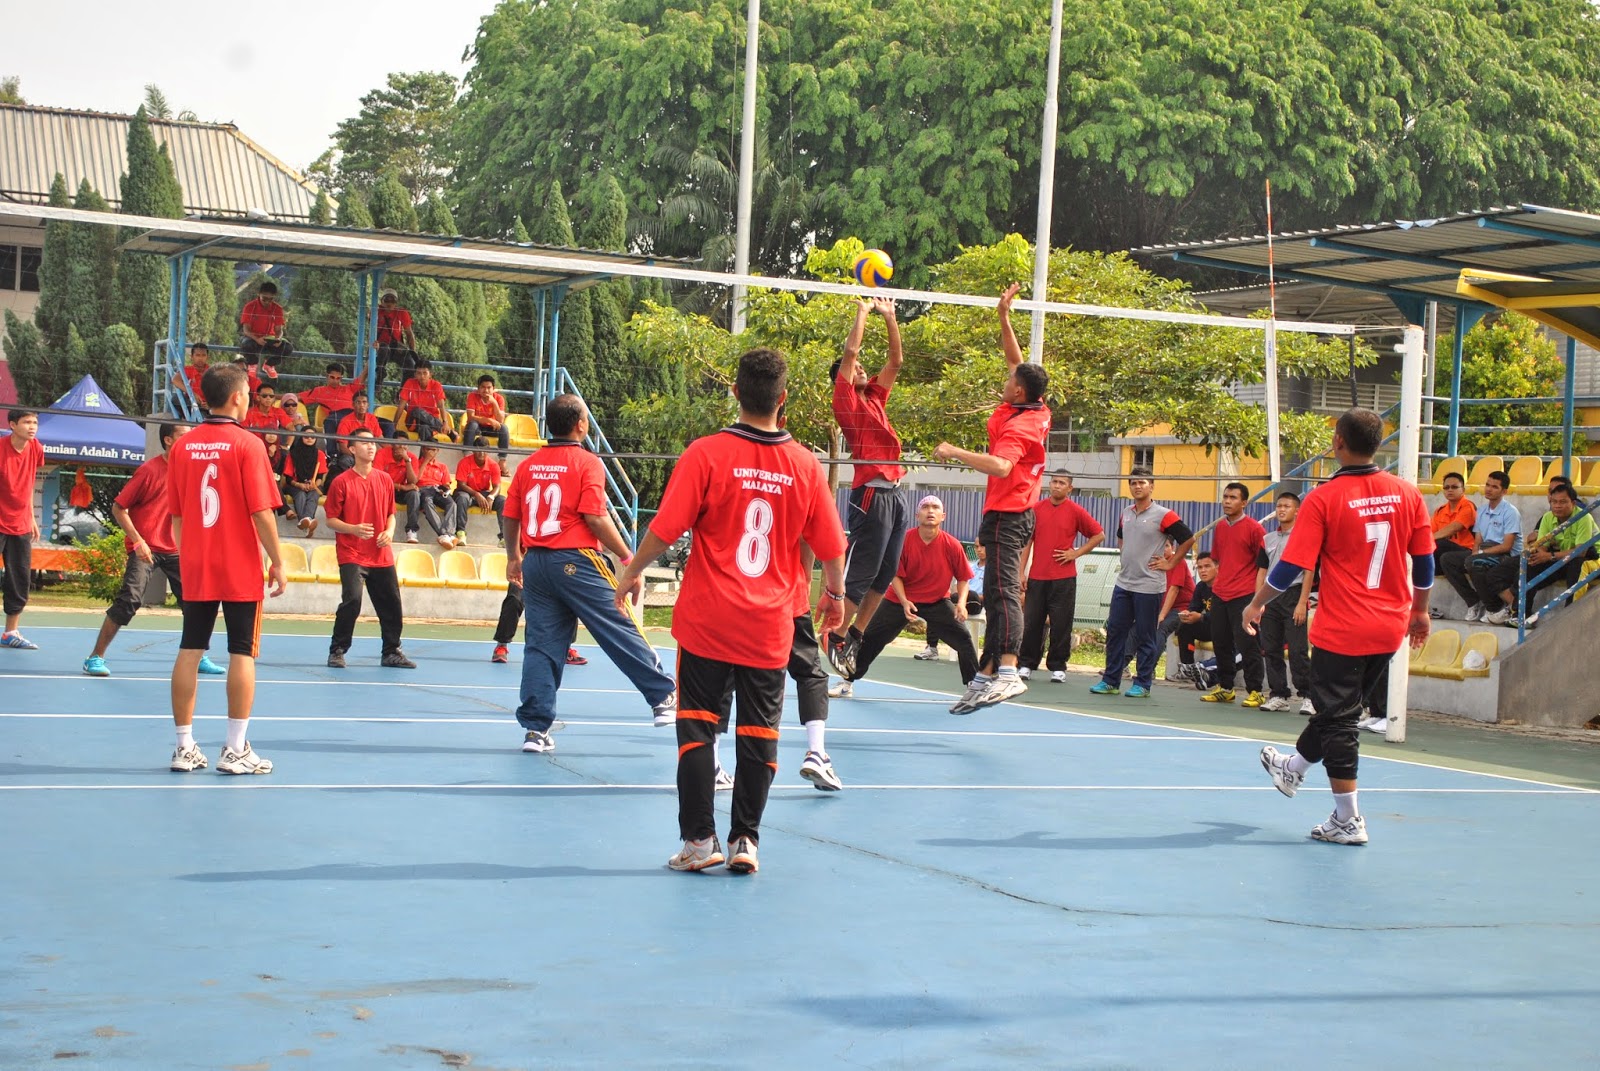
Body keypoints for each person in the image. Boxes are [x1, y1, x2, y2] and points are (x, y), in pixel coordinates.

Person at [614, 349, 848, 875]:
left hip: (707, 621)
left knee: (698, 728)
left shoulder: (706, 453)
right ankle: (746, 840)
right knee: (759, 732)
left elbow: (667, 527)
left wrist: (633, 571)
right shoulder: (806, 464)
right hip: (770, 625)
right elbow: (833, 547)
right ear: (782, 399)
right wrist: (832, 596)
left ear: (736, 392)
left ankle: (700, 842)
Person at [1249, 407, 1434, 846]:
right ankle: (1291, 769)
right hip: (1389, 626)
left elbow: (1291, 564)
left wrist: (1256, 604)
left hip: (1343, 627)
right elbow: (1425, 561)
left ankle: (1348, 819)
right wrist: (1421, 611)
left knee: (1339, 722)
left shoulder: (1324, 498)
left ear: (1337, 442)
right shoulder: (1408, 494)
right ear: (1379, 444)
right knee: (1339, 711)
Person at [503, 393, 678, 755]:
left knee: (541, 645)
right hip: (576, 559)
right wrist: (629, 558)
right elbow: (595, 518)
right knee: (617, 622)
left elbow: (511, 514)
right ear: (581, 424)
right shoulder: (587, 462)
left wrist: (512, 557)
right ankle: (663, 696)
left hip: (535, 560)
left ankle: (536, 730)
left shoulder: (529, 465)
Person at [934, 284, 1052, 715]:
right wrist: (1004, 316)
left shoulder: (1021, 427)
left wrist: (953, 452)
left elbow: (1002, 468)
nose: (1006, 379)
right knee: (1001, 593)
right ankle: (984, 675)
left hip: (1009, 514)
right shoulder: (1030, 405)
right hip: (1005, 514)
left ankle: (1007, 671)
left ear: (1018, 392)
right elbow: (1015, 360)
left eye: (1009, 381)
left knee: (1003, 594)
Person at [166, 363, 287, 774]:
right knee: (242, 652)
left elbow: (178, 516)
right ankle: (235, 749)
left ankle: (184, 747)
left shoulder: (182, 446)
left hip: (196, 563)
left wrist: (191, 555)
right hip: (237, 564)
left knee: (189, 649)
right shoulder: (248, 444)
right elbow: (262, 512)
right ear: (237, 397)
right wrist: (278, 560)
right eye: (250, 393)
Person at [82, 421, 226, 678]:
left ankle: (198, 655)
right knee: (130, 600)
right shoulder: (149, 471)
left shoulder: (194, 470)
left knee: (199, 602)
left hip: (177, 548)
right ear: (169, 440)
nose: (190, 440)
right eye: (184, 435)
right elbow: (119, 508)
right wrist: (138, 541)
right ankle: (95, 657)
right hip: (145, 547)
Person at [823, 296, 906, 680]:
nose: (860, 367)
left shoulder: (874, 396)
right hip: (870, 494)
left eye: (861, 368)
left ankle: (854, 634)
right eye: (854, 367)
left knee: (886, 574)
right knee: (864, 572)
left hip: (895, 493)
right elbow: (852, 348)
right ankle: (835, 636)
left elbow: (895, 362)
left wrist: (890, 317)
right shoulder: (846, 402)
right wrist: (862, 311)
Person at [834, 494, 979, 698]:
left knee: (964, 639)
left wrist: (961, 604)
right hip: (898, 601)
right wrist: (904, 601)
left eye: (935, 507)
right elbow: (894, 574)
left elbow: (963, 577)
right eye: (925, 507)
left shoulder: (952, 545)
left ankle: (974, 687)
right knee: (870, 640)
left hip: (936, 601)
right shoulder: (904, 541)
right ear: (917, 514)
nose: (930, 511)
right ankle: (846, 683)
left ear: (943, 515)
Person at [1090, 467, 1195, 697]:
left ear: (1152, 486)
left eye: (1142, 483)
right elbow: (1121, 536)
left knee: (1146, 635)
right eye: (1133, 483)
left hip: (1149, 587)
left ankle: (1143, 683)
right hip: (1124, 583)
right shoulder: (1126, 512)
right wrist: (1126, 555)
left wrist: (1171, 563)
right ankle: (1111, 681)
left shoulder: (1164, 514)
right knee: (1116, 632)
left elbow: (1188, 538)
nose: (1137, 486)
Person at [323, 428, 415, 669]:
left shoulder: (384, 479)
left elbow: (391, 514)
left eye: (373, 442)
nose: (371, 446)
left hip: (380, 553)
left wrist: (390, 531)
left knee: (392, 604)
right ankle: (338, 650)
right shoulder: (341, 482)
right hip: (351, 553)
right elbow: (330, 519)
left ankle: (391, 651)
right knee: (352, 600)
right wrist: (353, 529)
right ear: (352, 449)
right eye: (364, 443)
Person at [1019, 473, 1104, 683]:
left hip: (1064, 578)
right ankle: (1027, 664)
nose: (1057, 486)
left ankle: (1058, 667)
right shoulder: (1036, 509)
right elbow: (1027, 542)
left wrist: (1076, 553)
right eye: (1054, 482)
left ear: (1070, 488)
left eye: (1062, 483)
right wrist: (1021, 572)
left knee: (1061, 623)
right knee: (1032, 622)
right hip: (1037, 577)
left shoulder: (1076, 511)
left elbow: (1098, 534)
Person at [1201, 481, 1267, 707]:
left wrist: (1258, 599)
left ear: (1244, 502)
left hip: (1245, 595)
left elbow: (1264, 564)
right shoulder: (1220, 527)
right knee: (1221, 642)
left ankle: (1256, 690)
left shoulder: (1255, 529)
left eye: (1233, 498)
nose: (1227, 501)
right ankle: (1226, 688)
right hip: (1221, 594)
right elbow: (1218, 558)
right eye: (1225, 497)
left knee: (1248, 644)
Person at [1255, 491, 1315, 714]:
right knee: (1271, 648)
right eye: (1279, 506)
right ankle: (1279, 694)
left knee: (1298, 649)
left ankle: (1308, 695)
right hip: (1271, 596)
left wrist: (1302, 602)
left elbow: (1309, 570)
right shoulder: (1268, 539)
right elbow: (1261, 571)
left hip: (1294, 594)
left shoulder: (1305, 537)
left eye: (1287, 506)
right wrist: (1257, 601)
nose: (1281, 510)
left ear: (1297, 510)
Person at [1439, 470, 1520, 624]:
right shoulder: (1482, 510)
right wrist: (1476, 552)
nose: (1489, 489)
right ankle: (1473, 602)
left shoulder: (1510, 512)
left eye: (1494, 487)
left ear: (1504, 491)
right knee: (1447, 559)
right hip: (1485, 551)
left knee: (1474, 562)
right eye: (1487, 485)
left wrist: (1479, 554)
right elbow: (1477, 540)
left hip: (1505, 556)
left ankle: (1494, 607)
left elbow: (1507, 546)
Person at [1513, 482, 1598, 627]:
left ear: (1573, 503)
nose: (1557, 506)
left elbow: (1580, 552)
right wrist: (1540, 555)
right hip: (1564, 558)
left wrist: (1549, 556)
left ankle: (1571, 617)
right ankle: (1521, 615)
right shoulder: (1547, 517)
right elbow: (1542, 547)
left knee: (1578, 565)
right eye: (1554, 502)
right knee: (1530, 564)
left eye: (1563, 502)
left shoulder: (1583, 517)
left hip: (1592, 559)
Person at [1, 409, 45, 650]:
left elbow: (29, 483)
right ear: (12, 425)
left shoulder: (36, 448)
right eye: (27, 422)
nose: (32, 426)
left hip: (20, 525)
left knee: (19, 579)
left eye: (35, 422)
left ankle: (10, 632)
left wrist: (31, 517)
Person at [918, 542, 985, 662]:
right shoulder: (970, 566)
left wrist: (963, 597)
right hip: (959, 600)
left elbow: (990, 594)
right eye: (976, 546)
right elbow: (956, 586)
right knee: (936, 603)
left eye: (983, 546)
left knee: (972, 594)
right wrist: (960, 599)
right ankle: (932, 648)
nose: (979, 549)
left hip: (977, 603)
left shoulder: (994, 569)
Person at [297, 364, 369, 462]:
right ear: (327, 376)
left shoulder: (349, 388)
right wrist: (271, 395)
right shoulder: (319, 391)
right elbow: (296, 397)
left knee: (387, 424)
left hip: (354, 414)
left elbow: (363, 376)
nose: (335, 381)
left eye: (338, 378)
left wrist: (371, 360)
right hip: (336, 416)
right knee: (330, 420)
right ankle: (332, 455)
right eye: (332, 377)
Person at [1430, 472, 1478, 614]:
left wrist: (1428, 540)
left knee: (1440, 546)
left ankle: (1474, 602)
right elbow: (1430, 531)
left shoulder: (1467, 507)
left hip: (1467, 552)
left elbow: (1454, 528)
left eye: (1454, 487)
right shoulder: (1440, 511)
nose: (1450, 490)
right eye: (1446, 487)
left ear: (1463, 490)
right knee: (1420, 561)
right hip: (1446, 556)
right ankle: (1423, 607)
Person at [1168, 551, 1216, 682]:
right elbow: (1194, 607)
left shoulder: (1224, 586)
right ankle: (1187, 668)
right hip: (1209, 626)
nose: (1203, 571)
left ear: (1217, 567)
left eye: (1207, 566)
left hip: (1224, 628)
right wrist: (1187, 614)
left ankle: (1212, 672)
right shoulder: (1201, 586)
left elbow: (1223, 616)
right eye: (1200, 567)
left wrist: (1200, 617)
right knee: (1185, 626)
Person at [1153, 546, 1195, 681]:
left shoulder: (1177, 562)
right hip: (1164, 608)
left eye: (1166, 546)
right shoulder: (1153, 562)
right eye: (1161, 545)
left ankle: (1148, 669)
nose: (1162, 549)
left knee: (1161, 627)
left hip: (1183, 608)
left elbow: (1174, 590)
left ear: (1173, 548)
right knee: (1137, 626)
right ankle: (1122, 665)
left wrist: (1161, 615)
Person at [453, 437, 504, 547]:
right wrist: (476, 494)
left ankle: (504, 537)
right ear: (473, 450)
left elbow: (497, 487)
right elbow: (461, 484)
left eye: (484, 450)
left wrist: (491, 497)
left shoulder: (493, 465)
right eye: (478, 449)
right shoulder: (464, 462)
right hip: (467, 492)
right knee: (462, 498)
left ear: (488, 451)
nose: (481, 453)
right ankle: (460, 533)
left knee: (502, 501)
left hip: (484, 493)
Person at [238, 279, 292, 378]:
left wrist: (278, 338)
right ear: (259, 294)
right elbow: (246, 330)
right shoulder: (249, 307)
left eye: (270, 299)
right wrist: (257, 339)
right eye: (264, 299)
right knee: (246, 344)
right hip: (253, 339)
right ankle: (252, 364)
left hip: (269, 340)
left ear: (274, 297)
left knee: (288, 348)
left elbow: (279, 330)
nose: (267, 302)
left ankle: (270, 365)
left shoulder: (278, 309)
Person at [283, 425, 328, 537]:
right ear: (301, 437)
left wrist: (314, 485)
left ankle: (304, 521)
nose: (309, 439)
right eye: (306, 436)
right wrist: (300, 485)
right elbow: (288, 479)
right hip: (295, 485)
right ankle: (308, 521)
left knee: (313, 495)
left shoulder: (320, 454)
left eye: (312, 437)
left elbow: (320, 477)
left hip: (313, 485)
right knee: (301, 494)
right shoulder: (293, 454)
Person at [414, 443, 460, 548]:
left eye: (434, 450)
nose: (431, 452)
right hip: (423, 489)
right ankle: (446, 534)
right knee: (427, 502)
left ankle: (447, 533)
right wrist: (426, 461)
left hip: (438, 490)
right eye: (428, 449)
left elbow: (447, 483)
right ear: (423, 450)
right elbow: (415, 479)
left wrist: (445, 488)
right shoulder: (416, 463)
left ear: (437, 451)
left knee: (452, 503)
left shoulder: (442, 466)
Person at [377, 439, 422, 543]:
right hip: (385, 489)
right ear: (392, 444)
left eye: (405, 444)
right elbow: (377, 479)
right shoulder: (382, 453)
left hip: (400, 491)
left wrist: (407, 460)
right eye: (398, 444)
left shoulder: (412, 457)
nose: (402, 447)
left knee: (414, 494)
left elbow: (413, 481)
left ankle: (412, 530)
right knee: (378, 492)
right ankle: (381, 529)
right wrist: (402, 487)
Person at [462, 375, 511, 467]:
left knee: (504, 429)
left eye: (489, 388)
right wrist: (488, 420)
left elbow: (500, 420)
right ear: (478, 388)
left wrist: (494, 403)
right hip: (478, 426)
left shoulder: (499, 398)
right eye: (483, 387)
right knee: (471, 425)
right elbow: (470, 417)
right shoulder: (472, 396)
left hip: (492, 428)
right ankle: (467, 456)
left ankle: (502, 460)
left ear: (494, 388)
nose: (486, 390)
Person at [334, 391, 388, 473]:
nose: (361, 405)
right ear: (353, 405)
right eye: (358, 402)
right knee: (345, 461)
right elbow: (343, 447)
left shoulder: (372, 418)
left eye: (364, 402)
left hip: (369, 454)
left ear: (368, 405)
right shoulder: (345, 421)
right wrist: (359, 457)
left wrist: (394, 449)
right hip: (352, 454)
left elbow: (381, 440)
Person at [399, 360, 452, 443]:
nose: (422, 376)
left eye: (425, 373)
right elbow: (401, 406)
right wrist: (394, 424)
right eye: (419, 373)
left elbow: (441, 405)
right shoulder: (410, 383)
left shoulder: (436, 385)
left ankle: (427, 452)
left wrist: (445, 422)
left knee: (424, 429)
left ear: (430, 374)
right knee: (417, 411)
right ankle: (448, 431)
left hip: (430, 424)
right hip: (413, 422)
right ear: (415, 374)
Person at [373, 288, 417, 387]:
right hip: (380, 347)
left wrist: (412, 352)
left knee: (411, 366)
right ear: (381, 301)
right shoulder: (376, 311)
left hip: (396, 347)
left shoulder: (401, 313)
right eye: (386, 300)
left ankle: (402, 393)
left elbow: (409, 334)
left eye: (392, 300)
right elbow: (368, 323)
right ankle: (379, 380)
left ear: (396, 302)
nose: (389, 303)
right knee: (383, 349)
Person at [172, 341, 212, 412]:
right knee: (176, 398)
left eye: (203, 355)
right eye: (197, 355)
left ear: (207, 357)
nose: (200, 358)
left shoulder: (212, 371)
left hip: (207, 407)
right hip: (191, 403)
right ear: (192, 357)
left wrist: (210, 404)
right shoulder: (188, 369)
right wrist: (192, 394)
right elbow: (175, 380)